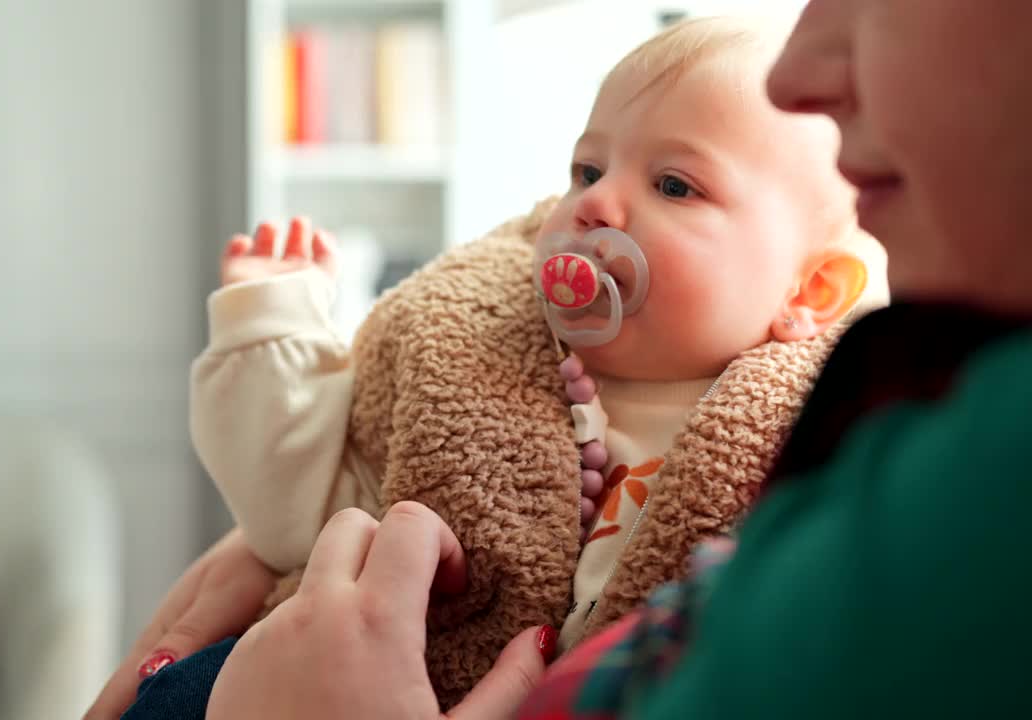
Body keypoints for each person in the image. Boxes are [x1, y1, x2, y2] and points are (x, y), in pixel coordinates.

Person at [84, 0, 1032, 717]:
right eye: (587, 169)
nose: (595, 207)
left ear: (808, 293)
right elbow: (283, 501)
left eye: (673, 184)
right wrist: (267, 321)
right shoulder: (469, 355)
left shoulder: (818, 444)